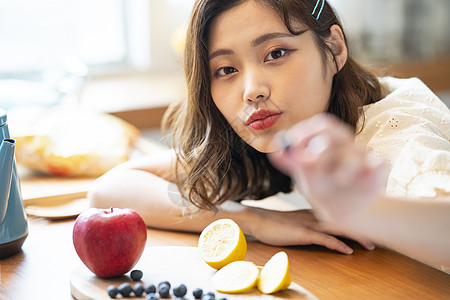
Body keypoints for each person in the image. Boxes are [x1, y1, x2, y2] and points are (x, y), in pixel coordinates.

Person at [88, 0, 450, 263]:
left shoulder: (396, 129)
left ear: (335, 48)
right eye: (226, 70)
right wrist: (257, 220)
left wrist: (361, 210)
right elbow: (110, 190)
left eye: (276, 53)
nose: (251, 90)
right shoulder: (282, 126)